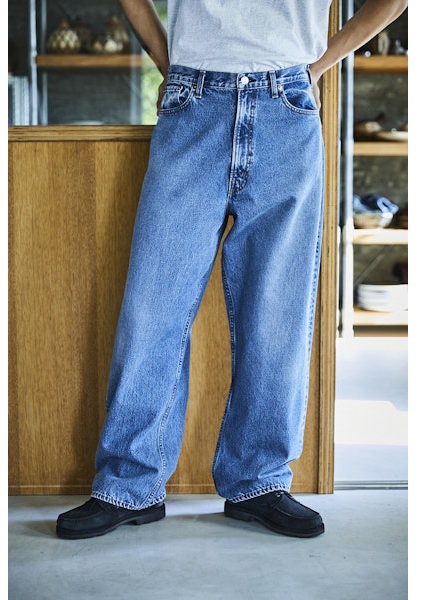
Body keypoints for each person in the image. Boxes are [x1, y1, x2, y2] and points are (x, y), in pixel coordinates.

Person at [56, 0, 408, 540]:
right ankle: (129, 485)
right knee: (153, 308)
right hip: (193, 99)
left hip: (286, 105)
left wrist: (319, 65)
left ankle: (258, 482)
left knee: (276, 312)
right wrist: (168, 61)